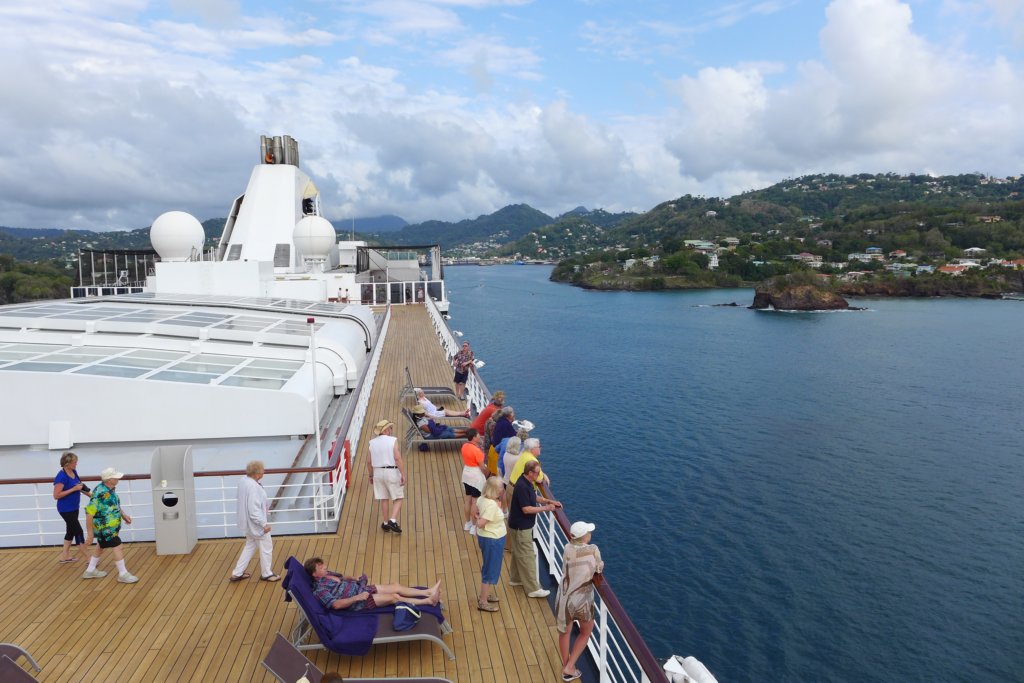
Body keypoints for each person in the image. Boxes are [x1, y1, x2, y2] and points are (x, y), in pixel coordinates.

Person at [555, 521, 604, 682]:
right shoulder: (593, 549)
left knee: (565, 632)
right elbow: (599, 568)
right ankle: (570, 666)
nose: (591, 534)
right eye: (589, 532)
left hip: (565, 596)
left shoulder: (567, 548)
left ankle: (566, 667)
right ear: (584, 537)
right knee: (585, 632)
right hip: (583, 599)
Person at [304, 557, 441, 610]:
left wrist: (352, 578)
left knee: (396, 586)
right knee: (394, 597)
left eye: (323, 565)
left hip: (361, 588)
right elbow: (335, 605)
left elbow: (341, 577)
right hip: (360, 600)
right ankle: (429, 601)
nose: (325, 567)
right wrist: (357, 598)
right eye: (320, 567)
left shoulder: (328, 574)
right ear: (314, 574)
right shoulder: (320, 590)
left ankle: (428, 592)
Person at [508, 460, 561, 598]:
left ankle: (515, 579)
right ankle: (533, 589)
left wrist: (548, 501)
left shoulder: (525, 481)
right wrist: (546, 508)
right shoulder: (522, 486)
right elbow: (526, 509)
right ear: (530, 472)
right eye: (537, 473)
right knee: (527, 556)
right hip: (521, 528)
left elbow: (533, 497)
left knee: (517, 553)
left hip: (517, 525)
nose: (539, 475)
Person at [82, 467, 138, 583]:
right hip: (104, 528)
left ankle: (90, 570)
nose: (118, 479)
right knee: (118, 546)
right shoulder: (100, 493)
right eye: (115, 477)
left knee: (100, 546)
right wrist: (90, 534)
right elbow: (89, 513)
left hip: (111, 526)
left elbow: (114, 505)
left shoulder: (110, 489)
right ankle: (123, 574)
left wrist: (124, 515)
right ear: (108, 480)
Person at [229, 460, 279, 582]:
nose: (263, 473)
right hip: (256, 525)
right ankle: (266, 573)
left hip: (247, 523)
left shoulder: (243, 481)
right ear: (257, 474)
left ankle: (237, 573)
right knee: (266, 547)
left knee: (250, 546)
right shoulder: (253, 487)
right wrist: (264, 524)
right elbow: (253, 510)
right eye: (262, 471)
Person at [473, 476, 506, 612]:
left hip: (487, 538)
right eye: (500, 488)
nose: (502, 490)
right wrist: (480, 519)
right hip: (493, 540)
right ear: (495, 490)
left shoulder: (482, 498)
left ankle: (484, 594)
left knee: (488, 566)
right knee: (490, 569)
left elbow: (476, 512)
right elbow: (480, 523)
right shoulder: (491, 505)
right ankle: (483, 601)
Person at [368, 419, 405, 533]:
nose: (390, 430)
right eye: (389, 428)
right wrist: (403, 474)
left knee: (384, 498)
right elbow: (397, 458)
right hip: (391, 472)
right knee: (398, 497)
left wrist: (371, 476)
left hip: (378, 473)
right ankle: (392, 520)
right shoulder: (393, 440)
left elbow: (369, 462)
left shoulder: (372, 443)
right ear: (385, 430)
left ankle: (385, 523)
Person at [53, 451, 89, 563]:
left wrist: (93, 496)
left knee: (70, 531)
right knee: (78, 531)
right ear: (67, 463)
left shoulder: (74, 471)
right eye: (74, 462)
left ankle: (64, 556)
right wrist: (73, 489)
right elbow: (56, 495)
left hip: (74, 507)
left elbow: (80, 486)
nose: (76, 464)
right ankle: (89, 558)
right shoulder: (61, 477)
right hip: (65, 509)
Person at [460, 429, 488, 533]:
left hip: (466, 473)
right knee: (475, 501)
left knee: (468, 499)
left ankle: (467, 523)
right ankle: (474, 526)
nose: (480, 436)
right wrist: (487, 474)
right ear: (474, 437)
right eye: (478, 435)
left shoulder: (464, 446)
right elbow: (482, 467)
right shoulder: (477, 450)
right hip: (475, 476)